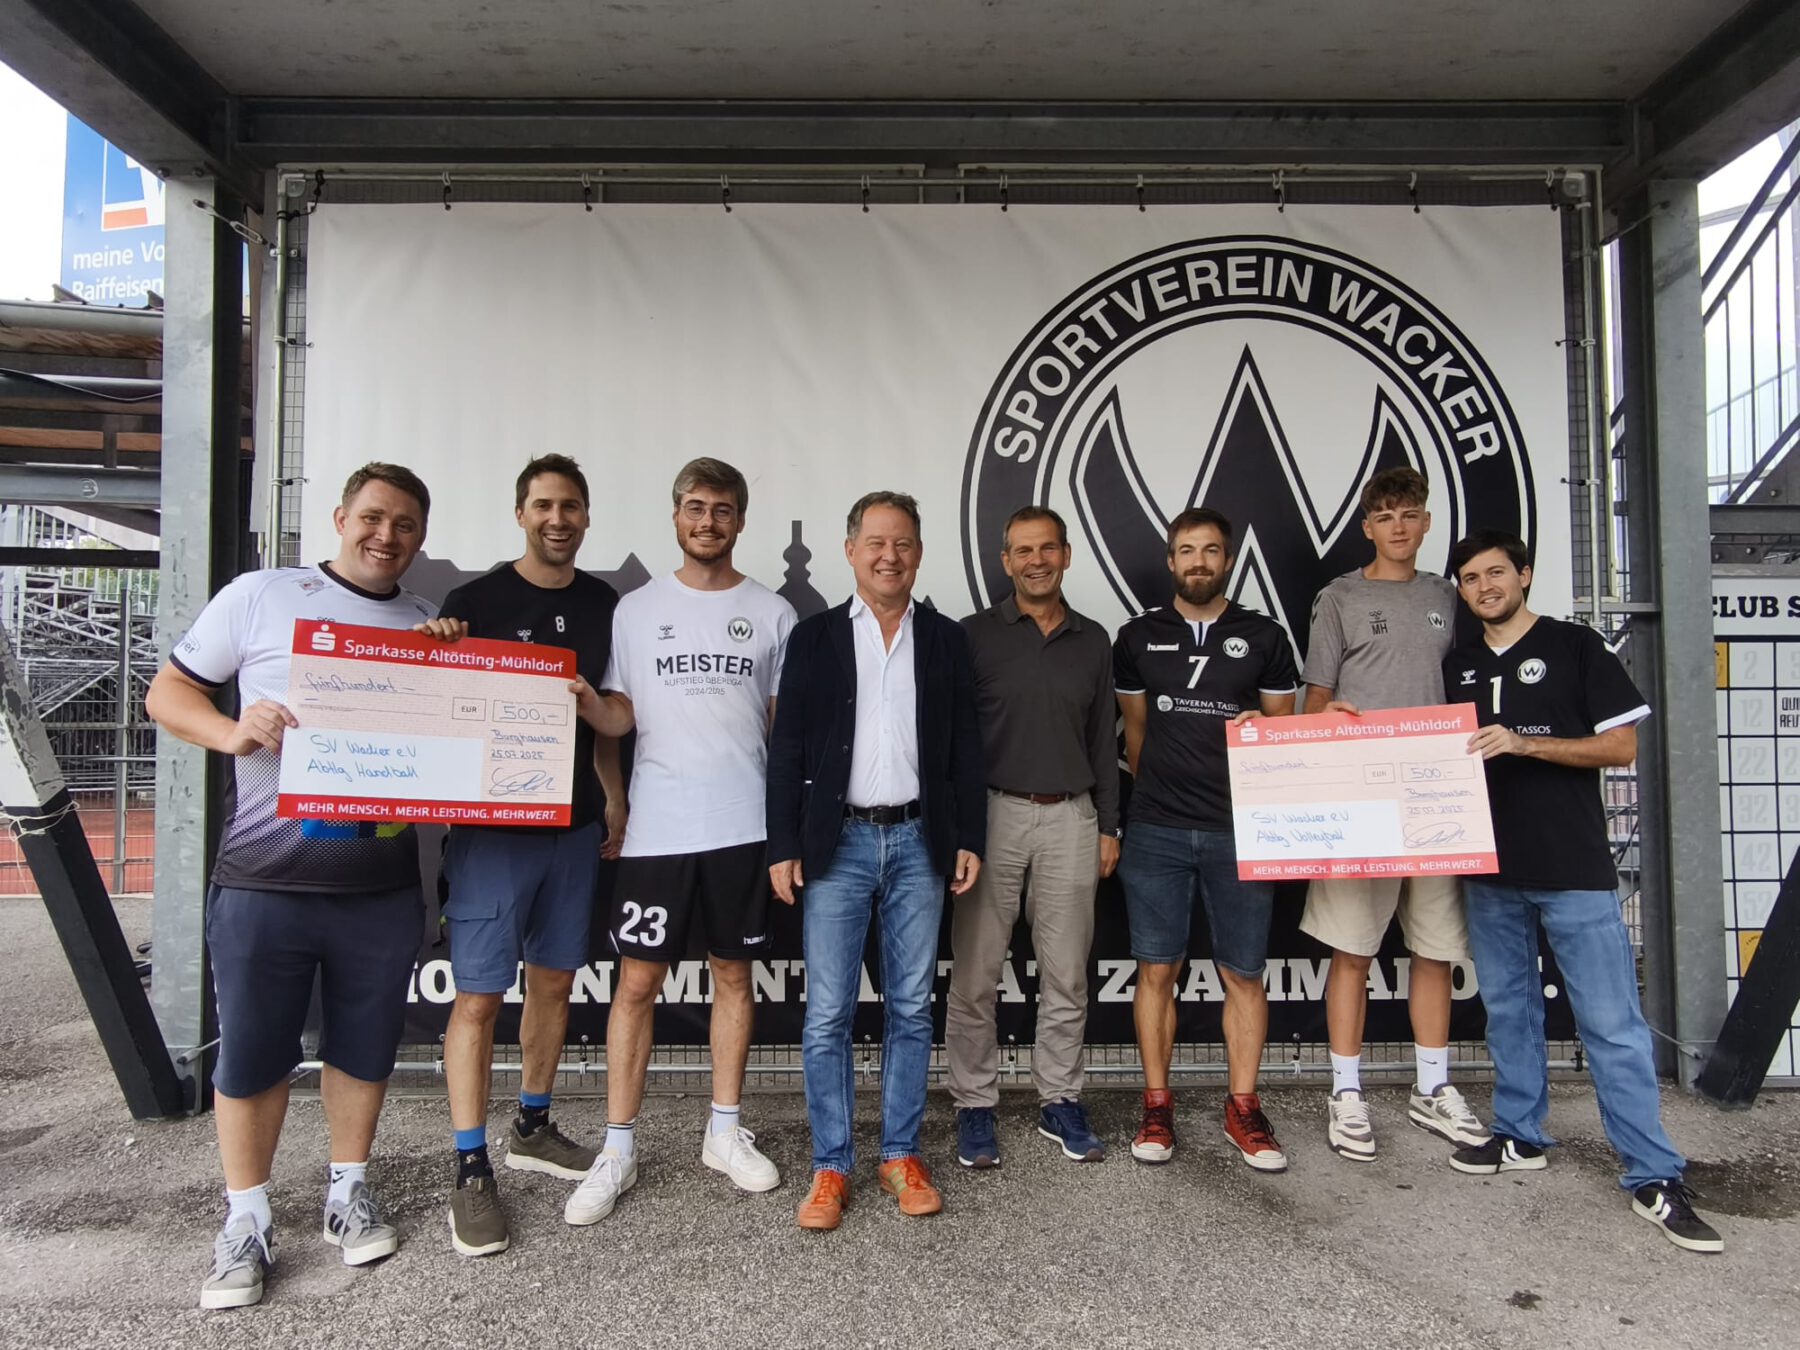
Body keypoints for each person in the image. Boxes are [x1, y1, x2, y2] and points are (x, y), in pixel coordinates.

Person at [145, 463, 438, 1309]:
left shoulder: (424, 622)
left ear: (422, 538)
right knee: (252, 1053)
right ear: (341, 517)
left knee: (364, 1048)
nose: (387, 536)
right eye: (374, 518)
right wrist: (235, 732)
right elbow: (168, 692)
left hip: (379, 886)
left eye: (407, 525)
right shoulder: (263, 594)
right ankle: (245, 1220)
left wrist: (456, 664)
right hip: (263, 878)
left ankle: (348, 1192)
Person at [1443, 530, 1723, 1253]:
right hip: (1490, 872)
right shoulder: (1460, 663)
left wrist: (1526, 742)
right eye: (1470, 578)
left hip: (1573, 871)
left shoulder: (1574, 647)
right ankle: (1520, 1133)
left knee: (1610, 1024)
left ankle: (1653, 1173)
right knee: (1508, 1012)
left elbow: (1621, 746)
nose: (1484, 587)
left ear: (1524, 575)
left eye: (1495, 573)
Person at [561, 458, 796, 1226]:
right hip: (659, 830)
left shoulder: (772, 612)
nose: (707, 521)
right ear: (675, 516)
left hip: (743, 828)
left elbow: (777, 730)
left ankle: (724, 1131)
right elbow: (622, 718)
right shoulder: (635, 611)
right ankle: (619, 1147)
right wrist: (586, 706)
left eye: (722, 510)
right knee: (636, 985)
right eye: (695, 507)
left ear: (739, 520)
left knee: (734, 976)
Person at [414, 454, 622, 1257]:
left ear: (587, 515)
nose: (558, 518)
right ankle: (471, 1167)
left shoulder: (605, 604)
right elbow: (438, 705)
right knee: (475, 1000)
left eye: (571, 505)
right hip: (493, 835)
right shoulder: (475, 601)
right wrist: (437, 648)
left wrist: (613, 795)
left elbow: (601, 714)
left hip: (571, 830)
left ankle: (532, 1123)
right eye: (544, 505)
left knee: (556, 981)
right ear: (521, 513)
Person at [767, 491, 986, 1229]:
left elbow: (965, 751)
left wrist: (968, 836)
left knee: (911, 1011)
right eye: (875, 543)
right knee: (827, 1013)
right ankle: (831, 1167)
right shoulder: (816, 637)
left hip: (921, 842)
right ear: (851, 550)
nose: (889, 556)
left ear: (919, 553)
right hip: (839, 844)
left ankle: (899, 1153)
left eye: (903, 544)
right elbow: (787, 748)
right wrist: (783, 844)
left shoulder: (948, 640)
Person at [1298, 466, 1489, 1162]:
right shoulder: (1340, 597)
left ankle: (1431, 1086)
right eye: (1385, 516)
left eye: (1410, 513)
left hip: (1439, 795)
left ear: (1427, 521)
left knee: (1435, 949)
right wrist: (1328, 716)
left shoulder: (1450, 596)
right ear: (1367, 527)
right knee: (1353, 948)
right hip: (1361, 796)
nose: (1398, 526)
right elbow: (1313, 698)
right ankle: (1345, 1091)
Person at [1112, 507, 1296, 1171]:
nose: (1198, 562)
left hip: (1240, 830)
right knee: (1156, 969)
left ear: (1227, 560)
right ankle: (1156, 1106)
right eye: (1187, 550)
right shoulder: (1137, 637)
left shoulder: (1264, 636)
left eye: (1211, 551)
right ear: (1170, 560)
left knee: (1243, 974)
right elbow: (1134, 734)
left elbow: (1284, 733)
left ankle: (1242, 1108)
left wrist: (1261, 730)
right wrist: (1161, 789)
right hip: (1157, 828)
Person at [948, 505, 1119, 1168]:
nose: (1037, 561)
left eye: (1048, 548)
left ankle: (1060, 1099)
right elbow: (956, 742)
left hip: (1073, 818)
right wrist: (962, 829)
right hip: (993, 818)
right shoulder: (974, 636)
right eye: (1024, 550)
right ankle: (973, 1105)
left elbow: (1104, 739)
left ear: (1067, 555)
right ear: (1005, 560)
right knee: (976, 975)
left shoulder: (1093, 639)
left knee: (1067, 973)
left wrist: (1109, 823)